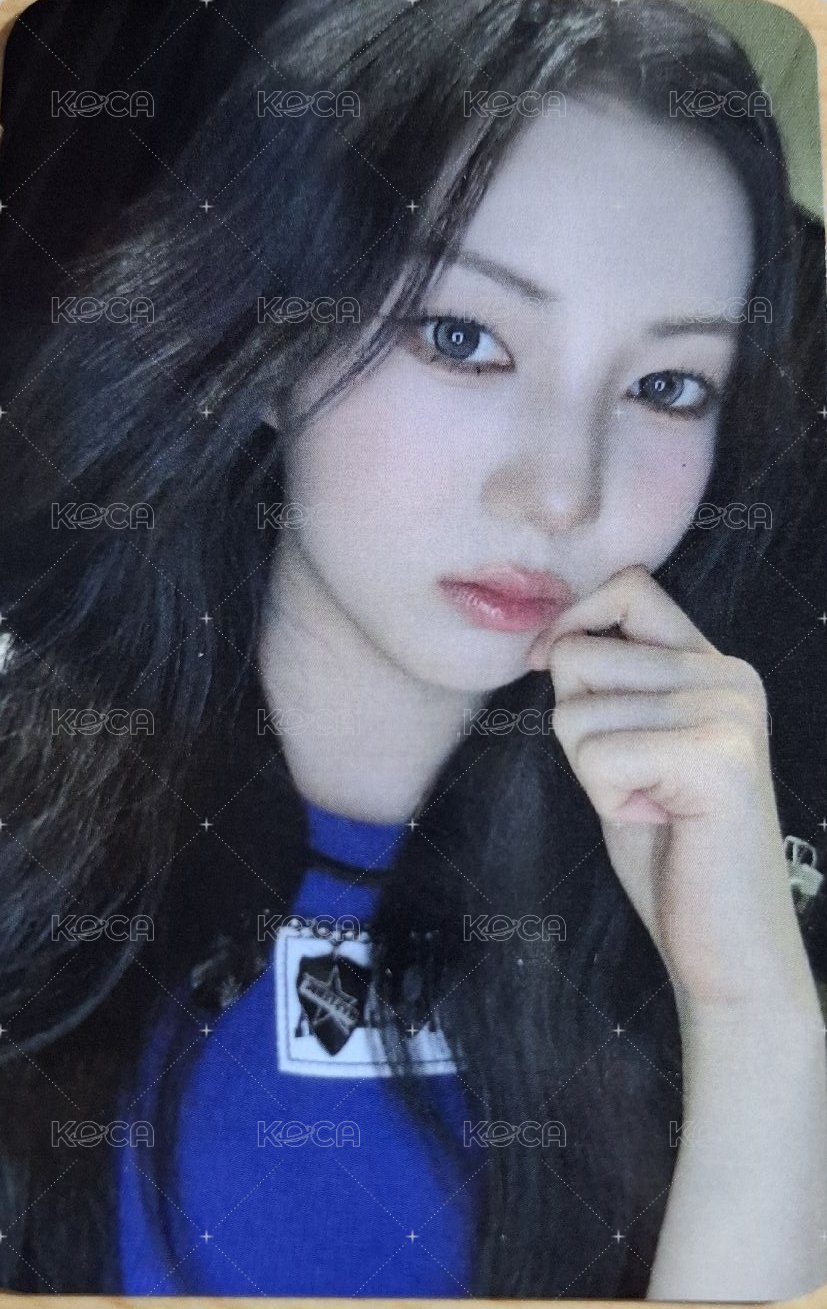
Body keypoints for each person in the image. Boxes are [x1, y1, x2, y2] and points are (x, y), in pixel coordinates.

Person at [0, 0, 826, 1299]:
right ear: (273, 332)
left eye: (667, 386)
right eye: (462, 338)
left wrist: (756, 1022)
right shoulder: (35, 835)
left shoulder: (697, 883)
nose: (563, 492)